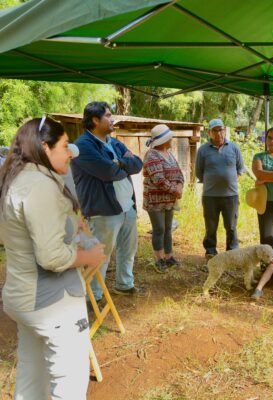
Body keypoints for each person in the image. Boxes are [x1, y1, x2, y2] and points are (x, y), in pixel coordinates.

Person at [0, 117, 106, 399]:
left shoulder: (16, 179)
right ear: (45, 148)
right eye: (64, 145)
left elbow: (22, 236)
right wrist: (88, 255)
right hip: (51, 303)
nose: (70, 152)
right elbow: (50, 256)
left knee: (32, 379)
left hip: (24, 299)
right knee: (69, 384)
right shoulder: (40, 185)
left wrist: (72, 229)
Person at [71, 102, 144, 300]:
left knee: (128, 250)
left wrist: (120, 162)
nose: (112, 120)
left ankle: (124, 284)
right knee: (100, 255)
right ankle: (93, 296)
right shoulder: (83, 146)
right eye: (108, 116)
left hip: (126, 207)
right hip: (103, 210)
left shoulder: (113, 142)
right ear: (95, 119)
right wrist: (122, 164)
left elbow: (138, 164)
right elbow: (107, 172)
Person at [195, 118, 245, 259]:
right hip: (210, 196)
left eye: (220, 129)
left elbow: (240, 169)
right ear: (209, 133)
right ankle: (211, 251)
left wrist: (229, 181)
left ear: (224, 130)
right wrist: (214, 181)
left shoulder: (234, 147)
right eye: (215, 131)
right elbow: (199, 172)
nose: (218, 133)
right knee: (211, 226)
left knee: (231, 226)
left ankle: (232, 252)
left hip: (231, 195)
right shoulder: (203, 150)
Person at [142, 124, 185, 273]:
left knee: (167, 229)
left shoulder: (169, 153)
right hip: (155, 200)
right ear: (164, 140)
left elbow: (179, 172)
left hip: (169, 200)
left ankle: (169, 257)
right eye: (169, 137)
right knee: (159, 229)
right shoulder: (151, 155)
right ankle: (159, 259)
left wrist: (180, 185)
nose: (172, 139)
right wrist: (175, 190)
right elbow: (158, 179)